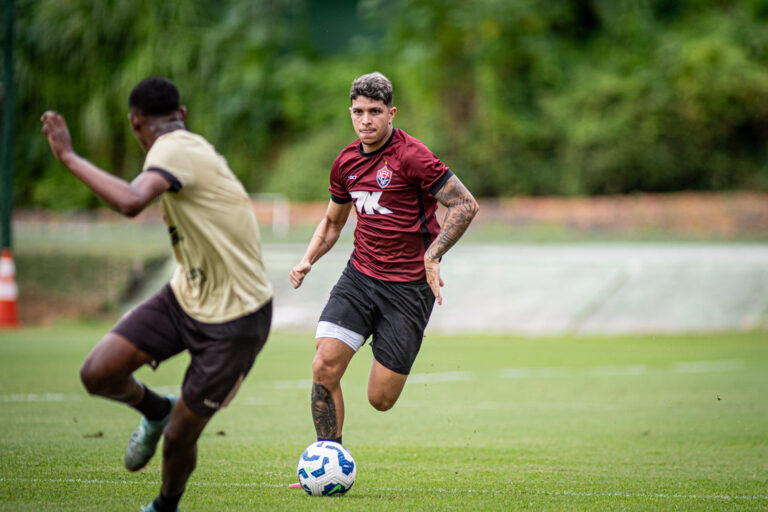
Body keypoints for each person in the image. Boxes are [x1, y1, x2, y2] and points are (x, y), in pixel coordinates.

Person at [40, 77, 273, 512]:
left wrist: (68, 156)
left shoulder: (171, 148)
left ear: (135, 124)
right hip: (187, 294)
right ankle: (154, 408)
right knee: (97, 372)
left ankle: (165, 507)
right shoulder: (187, 146)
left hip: (237, 316)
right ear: (181, 114)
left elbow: (131, 202)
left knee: (181, 435)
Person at [289, 72, 479, 457]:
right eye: (358, 111)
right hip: (359, 278)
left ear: (391, 113)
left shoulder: (412, 156)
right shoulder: (344, 163)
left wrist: (433, 254)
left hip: (408, 289)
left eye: (374, 111)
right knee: (324, 366)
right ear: (350, 112)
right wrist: (307, 259)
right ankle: (329, 462)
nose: (365, 120)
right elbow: (332, 222)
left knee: (380, 399)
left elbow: (465, 204)